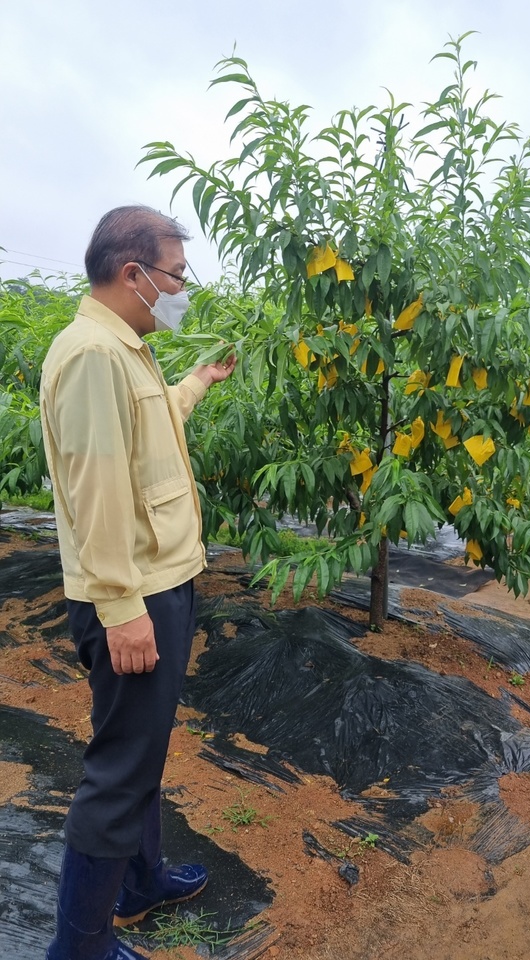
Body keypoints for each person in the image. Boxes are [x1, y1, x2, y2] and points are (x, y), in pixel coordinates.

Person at [40, 205, 237, 960]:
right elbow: (95, 492)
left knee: (142, 752)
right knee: (120, 772)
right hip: (134, 597)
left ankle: (139, 883)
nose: (182, 290)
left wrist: (197, 383)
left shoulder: (126, 348)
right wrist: (122, 608)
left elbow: (144, 442)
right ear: (134, 275)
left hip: (161, 584)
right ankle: (79, 947)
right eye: (177, 276)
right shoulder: (92, 354)